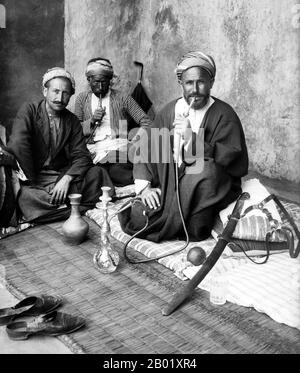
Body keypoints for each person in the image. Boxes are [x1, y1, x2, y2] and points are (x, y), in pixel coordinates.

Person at [119, 51, 249, 242]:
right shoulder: (170, 111)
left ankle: (186, 216)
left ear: (211, 82)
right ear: (181, 84)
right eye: (189, 83)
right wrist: (145, 188)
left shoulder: (224, 114)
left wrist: (191, 137)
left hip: (204, 188)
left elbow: (228, 161)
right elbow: (147, 146)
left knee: (198, 221)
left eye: (201, 82)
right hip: (170, 183)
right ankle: (173, 211)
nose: (195, 89)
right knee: (139, 217)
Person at [7, 67, 113, 224]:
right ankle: (73, 205)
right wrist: (32, 180)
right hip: (31, 175)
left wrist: (66, 179)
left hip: (57, 174)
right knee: (24, 196)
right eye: (55, 91)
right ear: (45, 91)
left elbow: (82, 156)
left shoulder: (72, 121)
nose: (60, 98)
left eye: (65, 93)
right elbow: (18, 144)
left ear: (70, 96)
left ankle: (59, 206)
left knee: (98, 173)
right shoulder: (29, 111)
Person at [74, 58, 152, 187]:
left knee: (116, 172)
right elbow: (75, 131)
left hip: (118, 148)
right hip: (93, 151)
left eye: (104, 82)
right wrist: (92, 121)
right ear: (89, 80)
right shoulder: (82, 99)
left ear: (110, 81)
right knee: (92, 175)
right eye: (96, 82)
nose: (100, 87)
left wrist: (135, 140)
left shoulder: (123, 97)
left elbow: (146, 122)